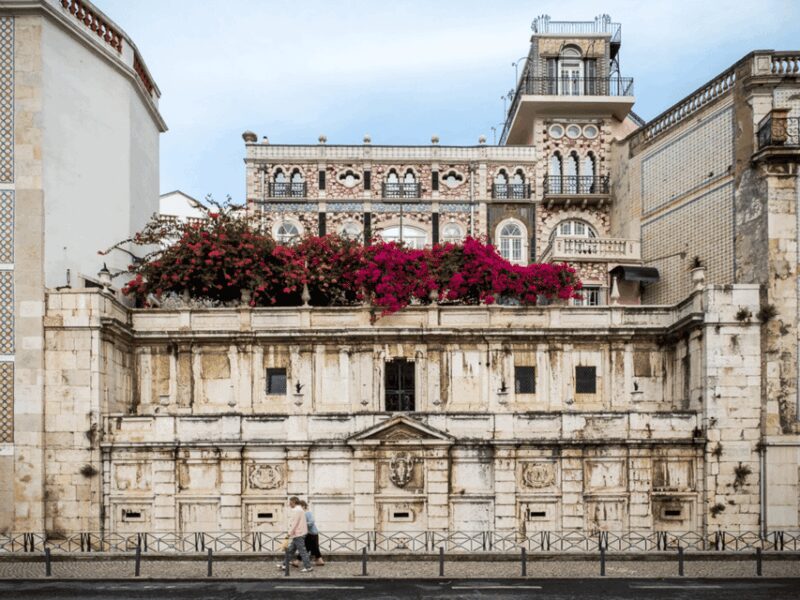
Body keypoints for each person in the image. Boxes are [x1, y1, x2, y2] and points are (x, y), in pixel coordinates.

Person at [276, 496, 313, 572]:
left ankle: (308, 567)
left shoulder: (296, 510)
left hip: (298, 534)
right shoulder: (300, 510)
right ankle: (284, 565)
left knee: (302, 551)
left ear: (294, 502)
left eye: (290, 502)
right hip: (299, 533)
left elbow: (294, 523)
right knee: (290, 550)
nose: (289, 504)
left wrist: (289, 533)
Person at [292, 500, 324, 567]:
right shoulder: (303, 513)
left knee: (305, 548)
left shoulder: (307, 513)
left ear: (303, 506)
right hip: (311, 534)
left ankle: (297, 561)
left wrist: (302, 524)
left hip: (311, 534)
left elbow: (311, 522)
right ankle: (320, 561)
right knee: (313, 548)